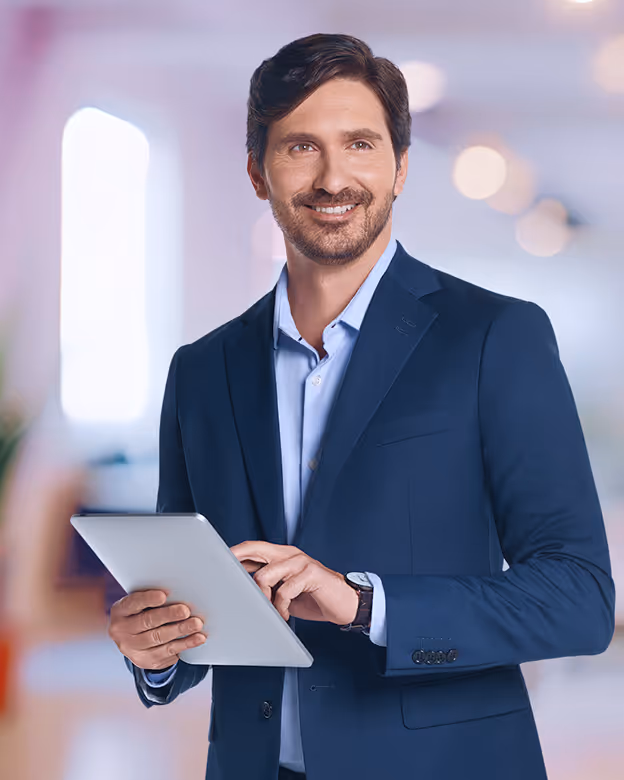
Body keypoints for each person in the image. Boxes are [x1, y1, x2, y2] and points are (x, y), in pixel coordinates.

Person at [108, 33, 615, 780]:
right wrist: (153, 648)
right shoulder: (201, 371)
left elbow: (579, 598)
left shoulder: (495, 338)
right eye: (300, 147)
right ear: (257, 171)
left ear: (400, 167)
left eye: (360, 144)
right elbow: (201, 609)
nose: (333, 175)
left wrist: (364, 604)